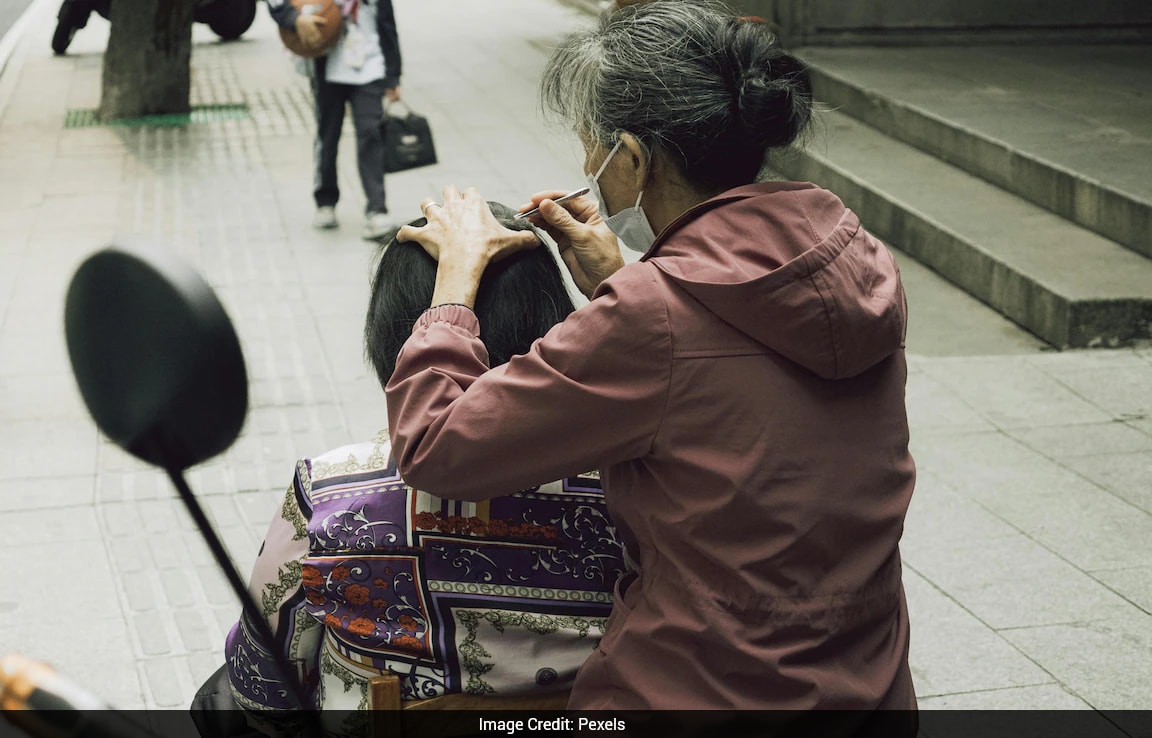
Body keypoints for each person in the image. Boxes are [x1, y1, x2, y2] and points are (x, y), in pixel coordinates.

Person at [384, 0, 918, 727]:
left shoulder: (652, 318)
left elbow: (435, 449)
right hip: (871, 687)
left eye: (590, 147)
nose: (585, 168)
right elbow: (728, 389)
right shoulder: (845, 258)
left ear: (631, 159)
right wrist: (620, 279)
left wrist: (454, 284)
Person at [223, 203, 624, 735]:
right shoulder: (630, 486)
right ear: (552, 324)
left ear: (390, 334)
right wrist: (620, 287)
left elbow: (264, 688)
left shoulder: (328, 491)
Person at [266, 0, 402, 238]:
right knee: (328, 136)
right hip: (327, 67)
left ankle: (377, 209)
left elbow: (388, 24)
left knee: (370, 134)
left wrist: (393, 76)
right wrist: (295, 19)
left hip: (370, 66)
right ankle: (325, 201)